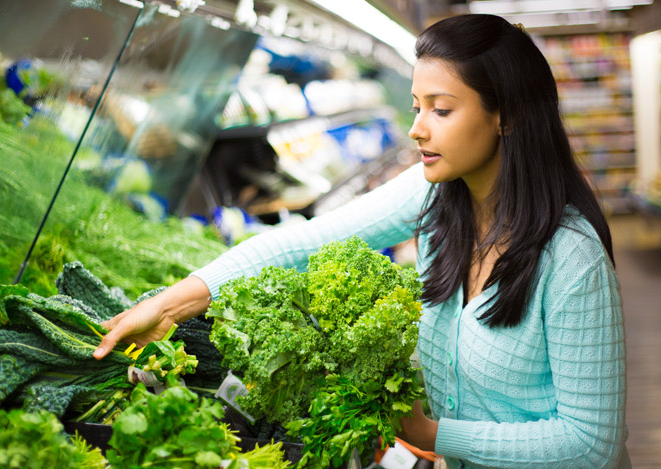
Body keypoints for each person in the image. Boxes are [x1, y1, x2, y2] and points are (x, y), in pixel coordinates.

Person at [93, 14, 629, 468]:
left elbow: (591, 443)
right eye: (417, 107)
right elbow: (301, 245)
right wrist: (169, 305)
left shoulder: (571, 259)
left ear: (506, 116)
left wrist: (434, 436)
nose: (418, 128)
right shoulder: (437, 197)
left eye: (441, 110)